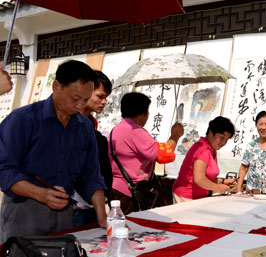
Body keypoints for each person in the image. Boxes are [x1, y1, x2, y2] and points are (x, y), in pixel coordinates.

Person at [0, 60, 108, 243]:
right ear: (56, 86)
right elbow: (4, 171)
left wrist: (102, 216)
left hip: (64, 213)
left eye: (85, 99)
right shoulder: (22, 120)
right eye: (75, 99)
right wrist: (41, 194)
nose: (80, 106)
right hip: (24, 211)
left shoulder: (85, 127)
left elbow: (92, 175)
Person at [108, 92, 183, 215]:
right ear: (142, 113)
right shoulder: (135, 131)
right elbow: (163, 155)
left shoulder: (116, 130)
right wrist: (175, 136)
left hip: (117, 188)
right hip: (131, 192)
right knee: (135, 228)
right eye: (147, 112)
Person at [73, 70, 113, 227]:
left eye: (106, 97)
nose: (104, 102)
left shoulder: (89, 123)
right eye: (100, 96)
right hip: (76, 204)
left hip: (93, 200)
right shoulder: (67, 123)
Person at [173, 116, 236, 202]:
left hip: (198, 197)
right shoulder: (203, 149)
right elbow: (199, 179)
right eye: (221, 137)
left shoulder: (212, 149)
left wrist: (222, 181)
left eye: (226, 139)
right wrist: (218, 188)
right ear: (211, 132)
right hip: (186, 197)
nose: (223, 142)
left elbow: (207, 177)